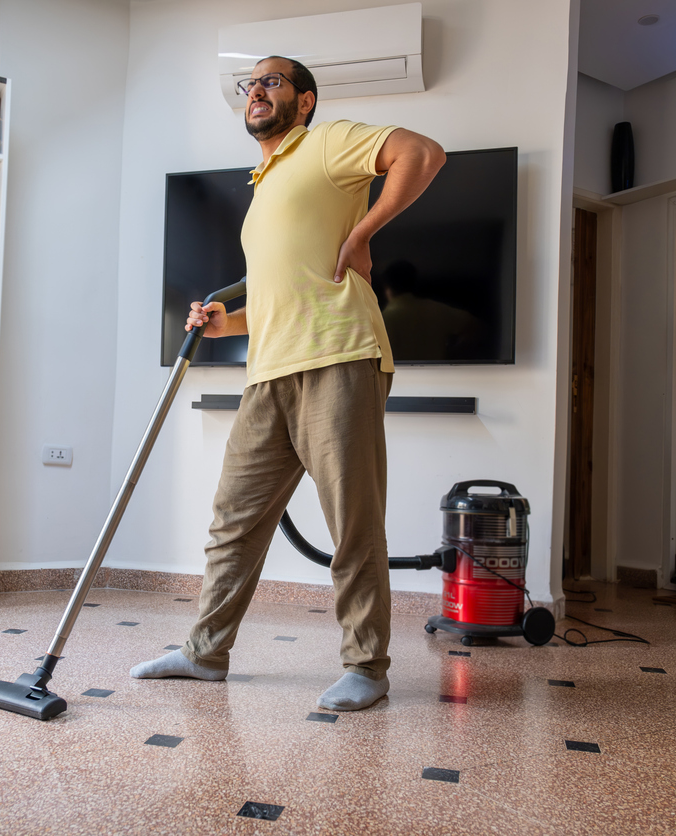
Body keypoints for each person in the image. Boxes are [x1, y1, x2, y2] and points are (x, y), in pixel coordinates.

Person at [130, 55, 445, 711]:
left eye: (271, 81)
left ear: (304, 102)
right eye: (250, 84)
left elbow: (423, 152)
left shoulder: (327, 145)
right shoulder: (262, 183)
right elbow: (281, 295)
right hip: (268, 372)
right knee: (233, 522)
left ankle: (367, 666)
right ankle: (204, 652)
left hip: (338, 358)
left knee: (352, 523)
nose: (256, 91)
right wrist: (225, 323)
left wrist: (363, 230)